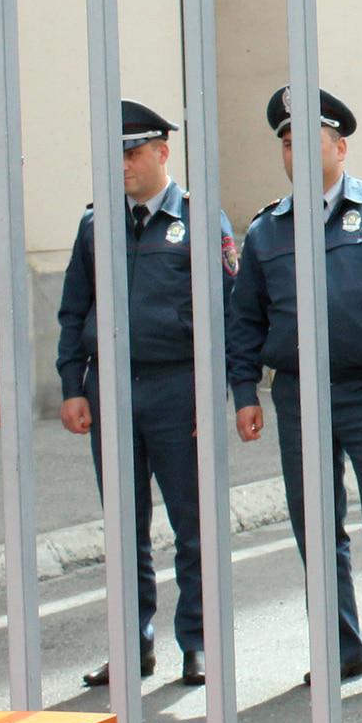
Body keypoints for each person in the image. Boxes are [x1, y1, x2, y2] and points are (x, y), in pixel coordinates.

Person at [229, 86, 362, 684]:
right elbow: (244, 319)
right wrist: (244, 391)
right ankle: (340, 649)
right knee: (317, 531)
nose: (295, 153)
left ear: (340, 147)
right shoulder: (267, 230)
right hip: (300, 396)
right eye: (286, 144)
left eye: (308, 141)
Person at [55, 99, 234, 689]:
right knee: (123, 528)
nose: (124, 165)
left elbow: (227, 315)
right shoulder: (95, 225)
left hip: (177, 387)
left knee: (192, 524)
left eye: (133, 153)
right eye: (116, 156)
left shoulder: (201, 219)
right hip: (110, 388)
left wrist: (215, 393)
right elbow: (73, 310)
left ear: (162, 152)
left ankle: (199, 642)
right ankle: (132, 645)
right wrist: (72, 384)